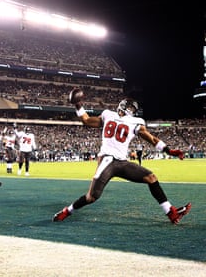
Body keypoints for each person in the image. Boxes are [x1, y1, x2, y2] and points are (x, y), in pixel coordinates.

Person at [53, 90, 191, 224]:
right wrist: (78, 105)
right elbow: (87, 121)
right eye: (130, 107)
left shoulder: (131, 120)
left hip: (122, 162)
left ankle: (170, 212)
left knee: (151, 178)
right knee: (92, 197)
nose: (132, 110)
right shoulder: (110, 115)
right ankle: (67, 211)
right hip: (107, 160)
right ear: (123, 106)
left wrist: (168, 150)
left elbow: (151, 138)